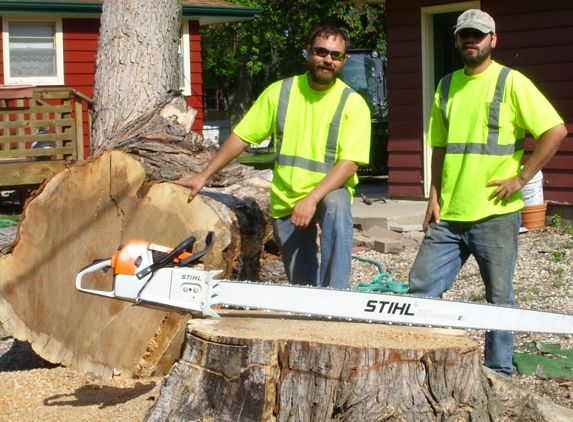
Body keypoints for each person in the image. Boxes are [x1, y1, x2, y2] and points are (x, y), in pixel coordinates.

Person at [408, 9, 566, 377]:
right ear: (457, 38)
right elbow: (441, 147)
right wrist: (433, 195)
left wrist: (521, 178)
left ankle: (498, 372)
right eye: (465, 34)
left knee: (499, 300)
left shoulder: (511, 83)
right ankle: (415, 364)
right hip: (449, 215)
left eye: (478, 35)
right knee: (421, 289)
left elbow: (554, 131)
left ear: (493, 39)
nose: (471, 41)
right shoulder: (446, 86)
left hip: (495, 214)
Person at [174, 26, 371, 289]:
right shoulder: (281, 92)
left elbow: (349, 164)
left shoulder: (352, 103)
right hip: (286, 199)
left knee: (338, 206)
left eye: (336, 55)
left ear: (344, 60)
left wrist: (311, 199)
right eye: (321, 52)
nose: (328, 60)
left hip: (325, 194)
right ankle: (308, 314)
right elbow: (242, 137)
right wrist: (203, 177)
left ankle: (337, 296)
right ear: (308, 52)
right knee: (302, 286)